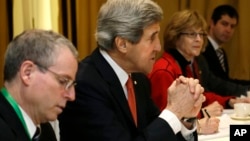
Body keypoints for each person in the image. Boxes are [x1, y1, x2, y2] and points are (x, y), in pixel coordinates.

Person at [58, 0, 205, 141]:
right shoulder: (85, 85)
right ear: (122, 44)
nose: (158, 47)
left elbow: (159, 135)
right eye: (152, 38)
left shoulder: (139, 80)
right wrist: (174, 112)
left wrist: (186, 117)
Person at [148, 10, 250, 135]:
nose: (198, 39)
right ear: (175, 36)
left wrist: (229, 101)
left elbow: (201, 96)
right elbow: (165, 119)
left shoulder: (190, 63)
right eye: (192, 34)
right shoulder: (164, 70)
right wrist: (203, 113)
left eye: (201, 34)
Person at [0, 29, 78, 141]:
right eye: (63, 81)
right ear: (28, 73)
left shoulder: (45, 131)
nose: (71, 96)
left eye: (72, 84)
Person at [202, 4, 250, 85]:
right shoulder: (201, 48)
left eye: (232, 26)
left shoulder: (221, 52)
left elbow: (225, 81)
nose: (228, 30)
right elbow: (216, 84)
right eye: (224, 24)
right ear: (212, 23)